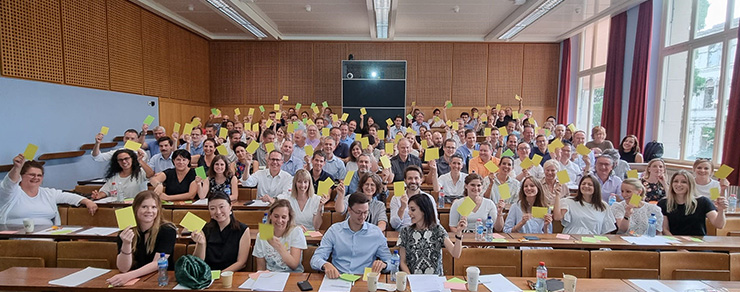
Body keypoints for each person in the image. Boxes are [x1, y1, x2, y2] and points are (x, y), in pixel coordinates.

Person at [310, 193, 391, 278]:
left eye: (365, 212)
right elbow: (315, 259)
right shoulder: (334, 230)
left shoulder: (376, 233)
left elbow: (391, 262)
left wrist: (384, 265)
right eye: (358, 212)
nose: (363, 216)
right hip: (339, 278)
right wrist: (325, 264)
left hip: (364, 279)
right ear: (349, 210)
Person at [0, 154, 97, 225]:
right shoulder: (11, 192)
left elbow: (67, 197)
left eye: (39, 175)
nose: (36, 178)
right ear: (21, 176)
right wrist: (17, 168)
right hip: (17, 239)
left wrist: (87, 201)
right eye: (31, 175)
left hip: (47, 238)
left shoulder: (48, 193)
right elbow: (9, 183)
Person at [106, 191, 176, 287]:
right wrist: (126, 243)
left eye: (153, 207)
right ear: (135, 208)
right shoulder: (126, 230)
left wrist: (129, 276)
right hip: (134, 279)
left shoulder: (168, 230)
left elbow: (157, 263)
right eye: (144, 207)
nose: (149, 211)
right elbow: (123, 268)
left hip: (160, 279)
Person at [398, 194, 465, 275]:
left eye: (413, 210)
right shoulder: (405, 231)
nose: (409, 213)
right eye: (409, 209)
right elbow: (402, 262)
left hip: (435, 280)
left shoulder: (437, 229)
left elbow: (456, 254)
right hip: (413, 280)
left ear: (424, 211)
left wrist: (459, 233)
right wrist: (411, 279)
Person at [191, 191, 251, 271]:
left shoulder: (243, 229)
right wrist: (200, 244)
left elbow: (241, 263)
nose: (218, 212)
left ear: (230, 206)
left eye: (221, 207)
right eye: (212, 208)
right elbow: (197, 262)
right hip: (207, 275)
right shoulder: (204, 229)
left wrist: (220, 275)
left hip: (231, 275)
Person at [658, 170, 727, 236]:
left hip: (697, 244)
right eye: (675, 181)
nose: (678, 184)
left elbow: (719, 225)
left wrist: (721, 210)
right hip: (673, 243)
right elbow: (665, 230)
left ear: (690, 185)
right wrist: (678, 247)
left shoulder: (703, 202)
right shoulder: (664, 203)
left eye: (684, 182)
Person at [253, 199, 307, 272]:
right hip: (270, 276)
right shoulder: (263, 233)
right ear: (270, 216)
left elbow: (294, 265)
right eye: (276, 216)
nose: (279, 220)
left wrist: (278, 246)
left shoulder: (296, 231)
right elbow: (260, 268)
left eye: (284, 217)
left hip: (292, 275)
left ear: (289, 218)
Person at [390, 166, 439, 230]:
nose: (413, 181)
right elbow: (394, 225)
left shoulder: (428, 198)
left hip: (424, 232)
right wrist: (402, 208)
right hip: (404, 233)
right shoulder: (396, 198)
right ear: (405, 180)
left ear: (421, 180)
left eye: (416, 178)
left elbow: (435, 221)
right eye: (410, 178)